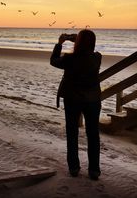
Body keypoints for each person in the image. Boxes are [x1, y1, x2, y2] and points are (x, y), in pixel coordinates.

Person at [50, 29, 102, 180]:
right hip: (92, 100)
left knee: (72, 133)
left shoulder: (69, 59)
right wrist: (79, 40)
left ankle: (74, 168)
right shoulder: (97, 58)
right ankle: (94, 171)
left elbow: (53, 60)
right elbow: (88, 51)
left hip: (72, 99)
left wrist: (60, 43)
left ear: (77, 42)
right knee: (93, 135)